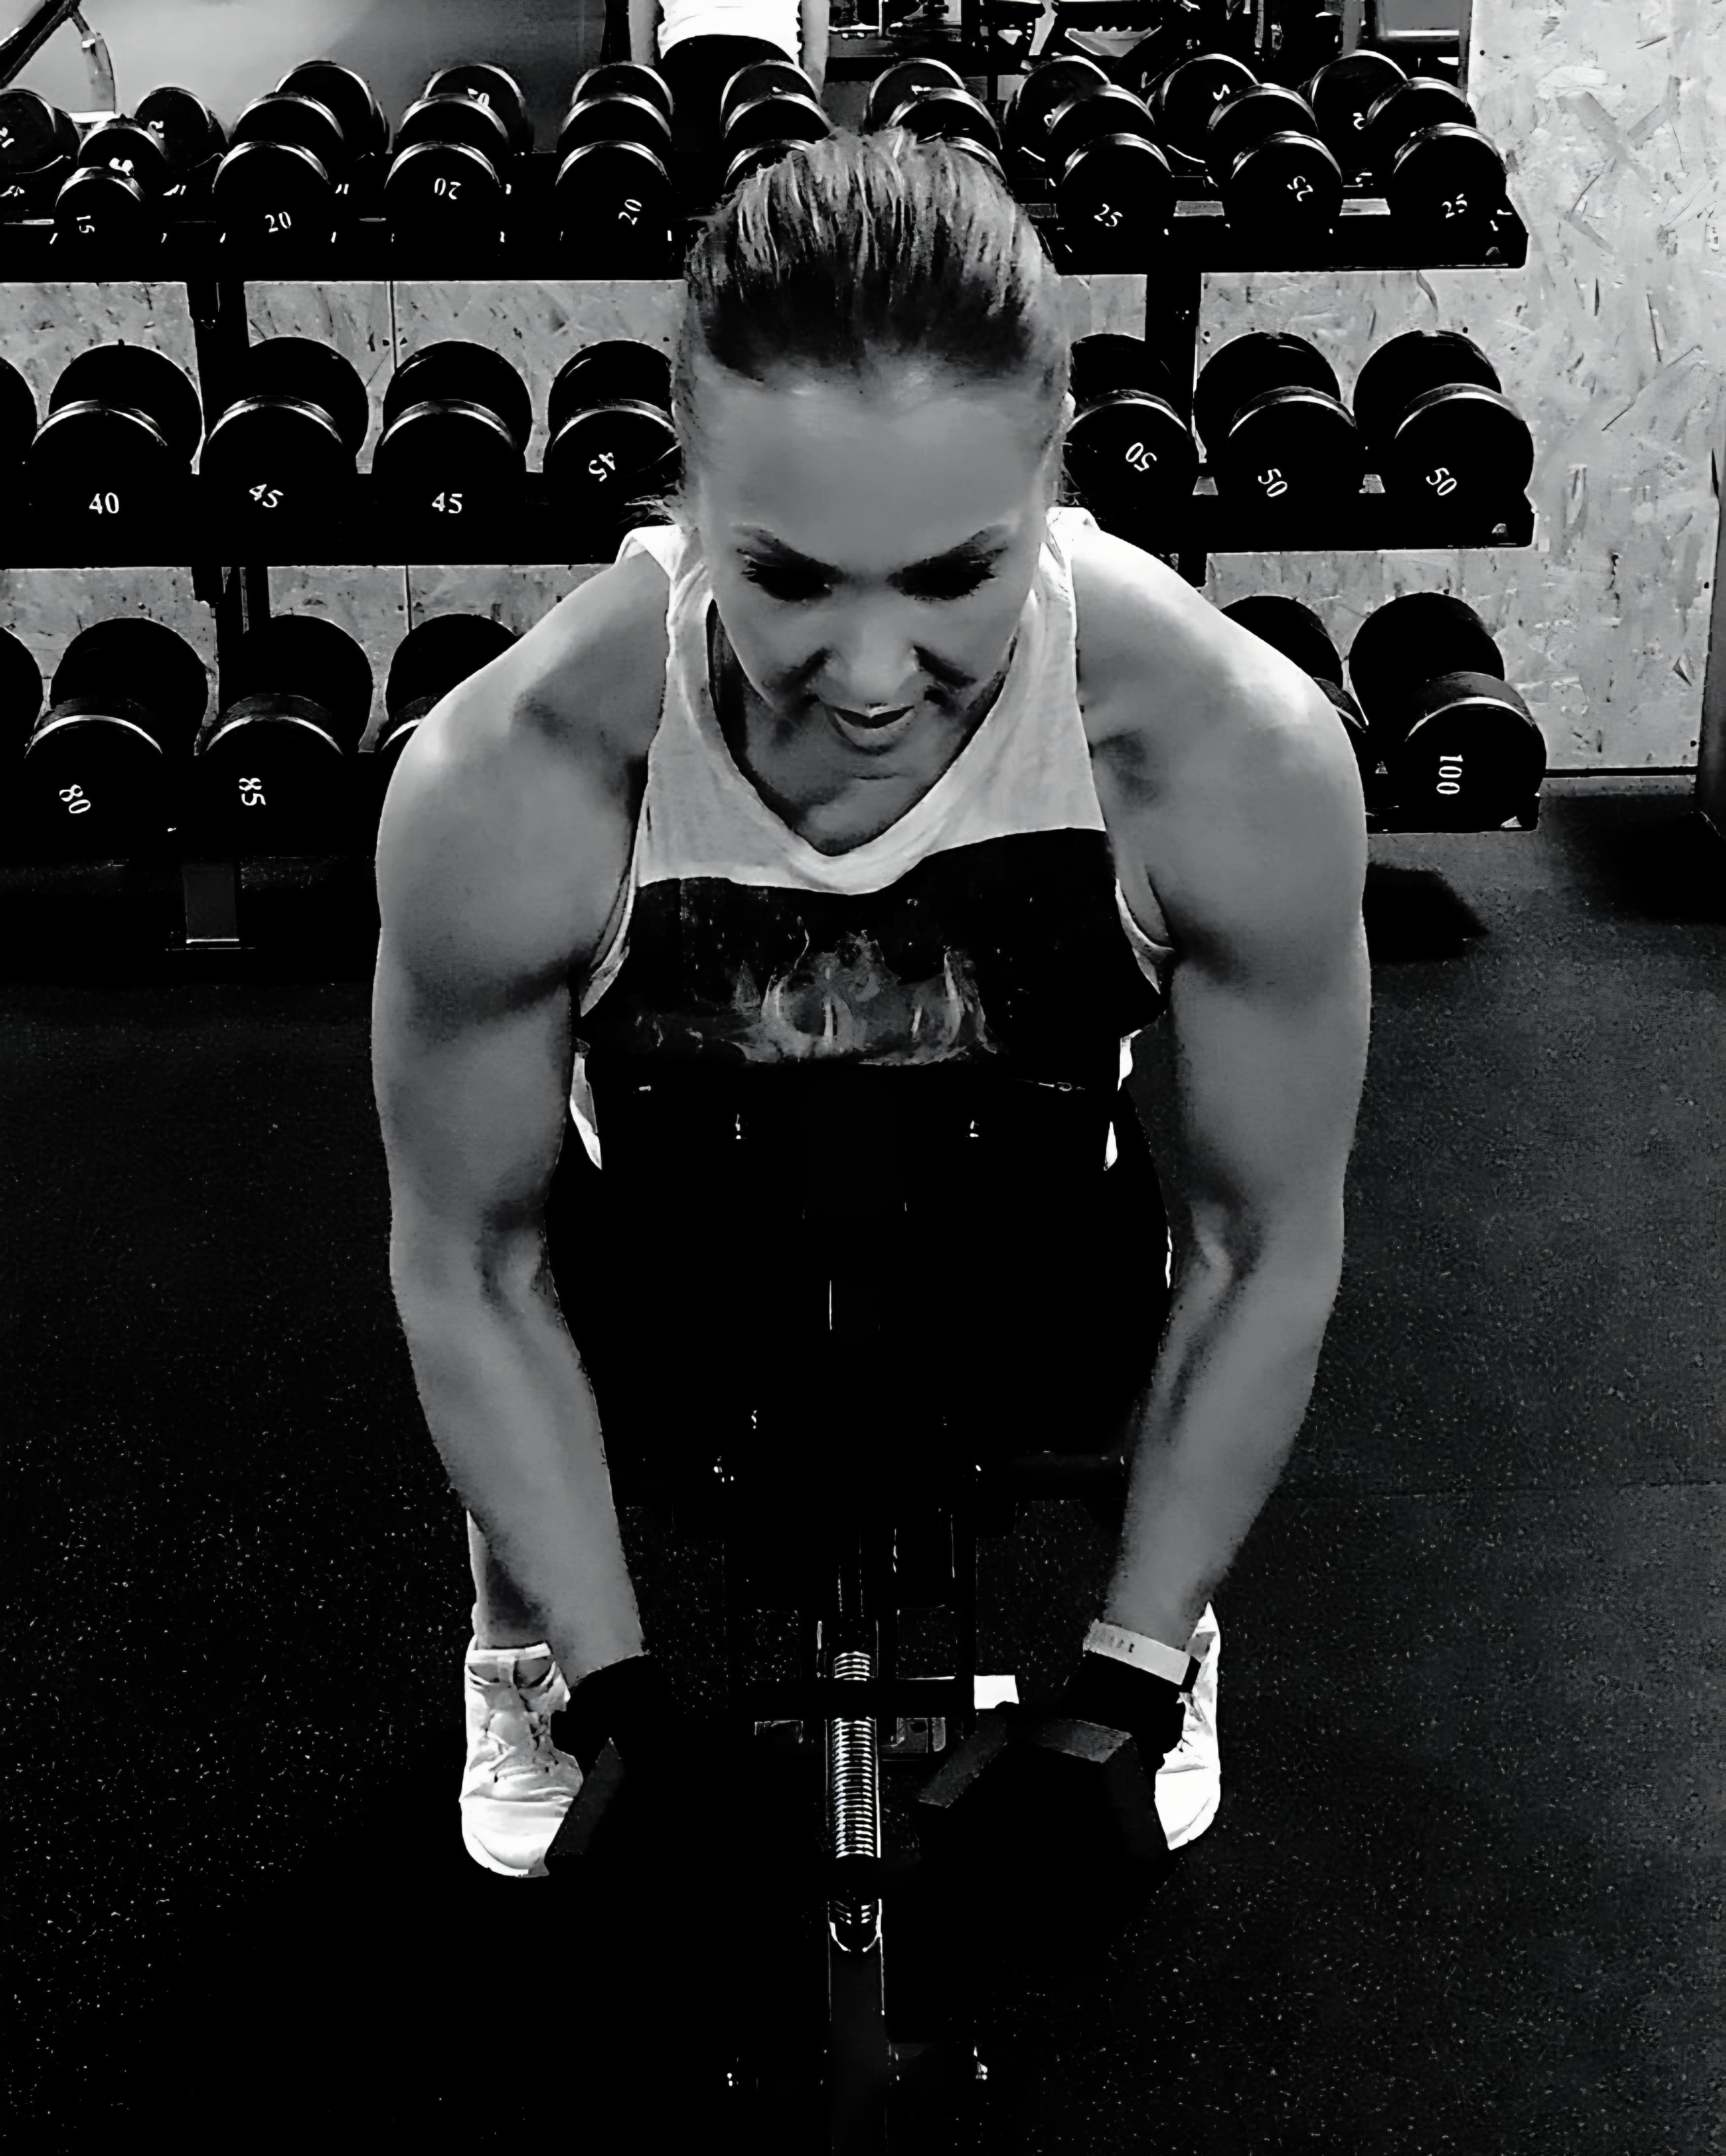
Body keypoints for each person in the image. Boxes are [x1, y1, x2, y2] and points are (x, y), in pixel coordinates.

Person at [370, 128, 1370, 1895]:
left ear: (1050, 482)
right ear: (683, 497)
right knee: (538, 1276)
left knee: (1112, 1305)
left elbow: (1257, 1240)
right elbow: (471, 1262)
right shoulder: (513, 775)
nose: (870, 678)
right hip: (671, 1242)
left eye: (949, 577)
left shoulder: (1226, 750)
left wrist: (1122, 1683)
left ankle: (1181, 1629)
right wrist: (618, 1703)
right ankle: (512, 1653)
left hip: (1036, 1224)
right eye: (784, 577)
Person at [622, 0, 830, 199]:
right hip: (769, 72)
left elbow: (642, 22)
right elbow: (816, 42)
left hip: (688, 63)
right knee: (776, 200)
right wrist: (809, 101)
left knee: (690, 193)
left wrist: (650, 90)